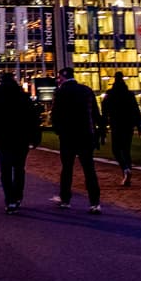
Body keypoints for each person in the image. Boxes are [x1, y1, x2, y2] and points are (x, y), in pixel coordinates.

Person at [0, 72, 43, 214]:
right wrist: (35, 137)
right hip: (21, 136)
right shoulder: (22, 96)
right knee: (19, 168)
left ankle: (10, 199)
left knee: (5, 169)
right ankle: (18, 196)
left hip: (2, 137)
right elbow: (32, 118)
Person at [50, 66, 105, 214]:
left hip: (68, 135)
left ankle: (65, 199)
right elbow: (95, 113)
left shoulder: (60, 92)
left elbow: (55, 115)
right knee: (89, 169)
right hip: (86, 134)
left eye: (59, 78)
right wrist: (99, 131)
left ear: (62, 77)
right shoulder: (86, 90)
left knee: (67, 168)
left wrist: (58, 130)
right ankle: (95, 202)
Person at [101, 71, 141, 186]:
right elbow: (136, 110)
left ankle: (125, 169)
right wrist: (139, 126)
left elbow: (104, 110)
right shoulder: (129, 94)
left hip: (116, 124)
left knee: (116, 150)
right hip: (128, 124)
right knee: (126, 150)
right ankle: (127, 172)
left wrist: (103, 126)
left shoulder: (110, 93)